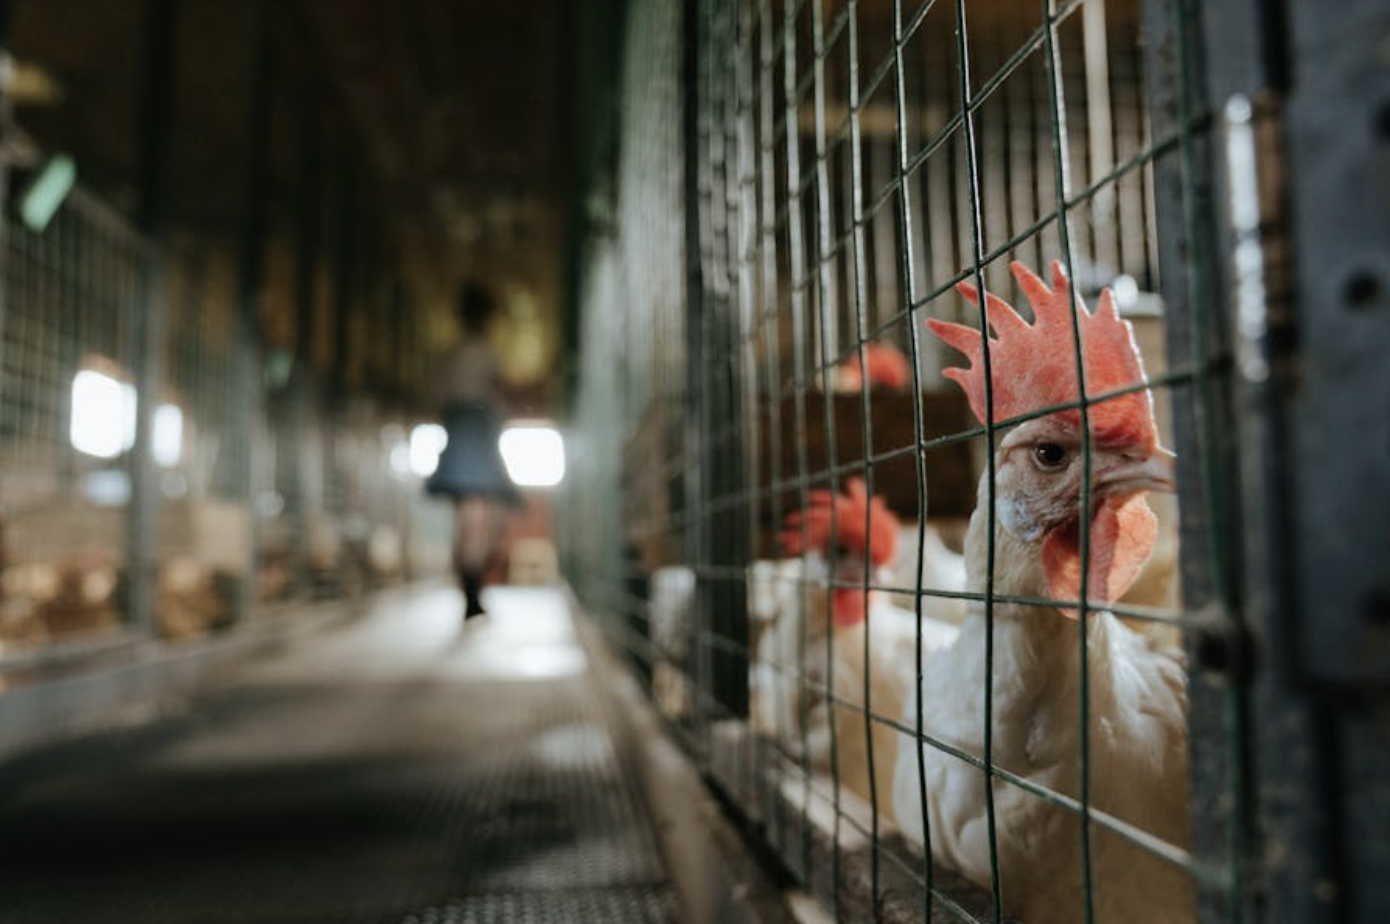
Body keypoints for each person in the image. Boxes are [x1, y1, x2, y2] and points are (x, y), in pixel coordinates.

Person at [426, 281, 517, 619]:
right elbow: (497, 395)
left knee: (468, 520)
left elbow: (439, 398)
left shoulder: (450, 357)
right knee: (477, 520)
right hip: (476, 436)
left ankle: (470, 587)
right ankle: (471, 589)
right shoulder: (484, 353)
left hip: (462, 435)